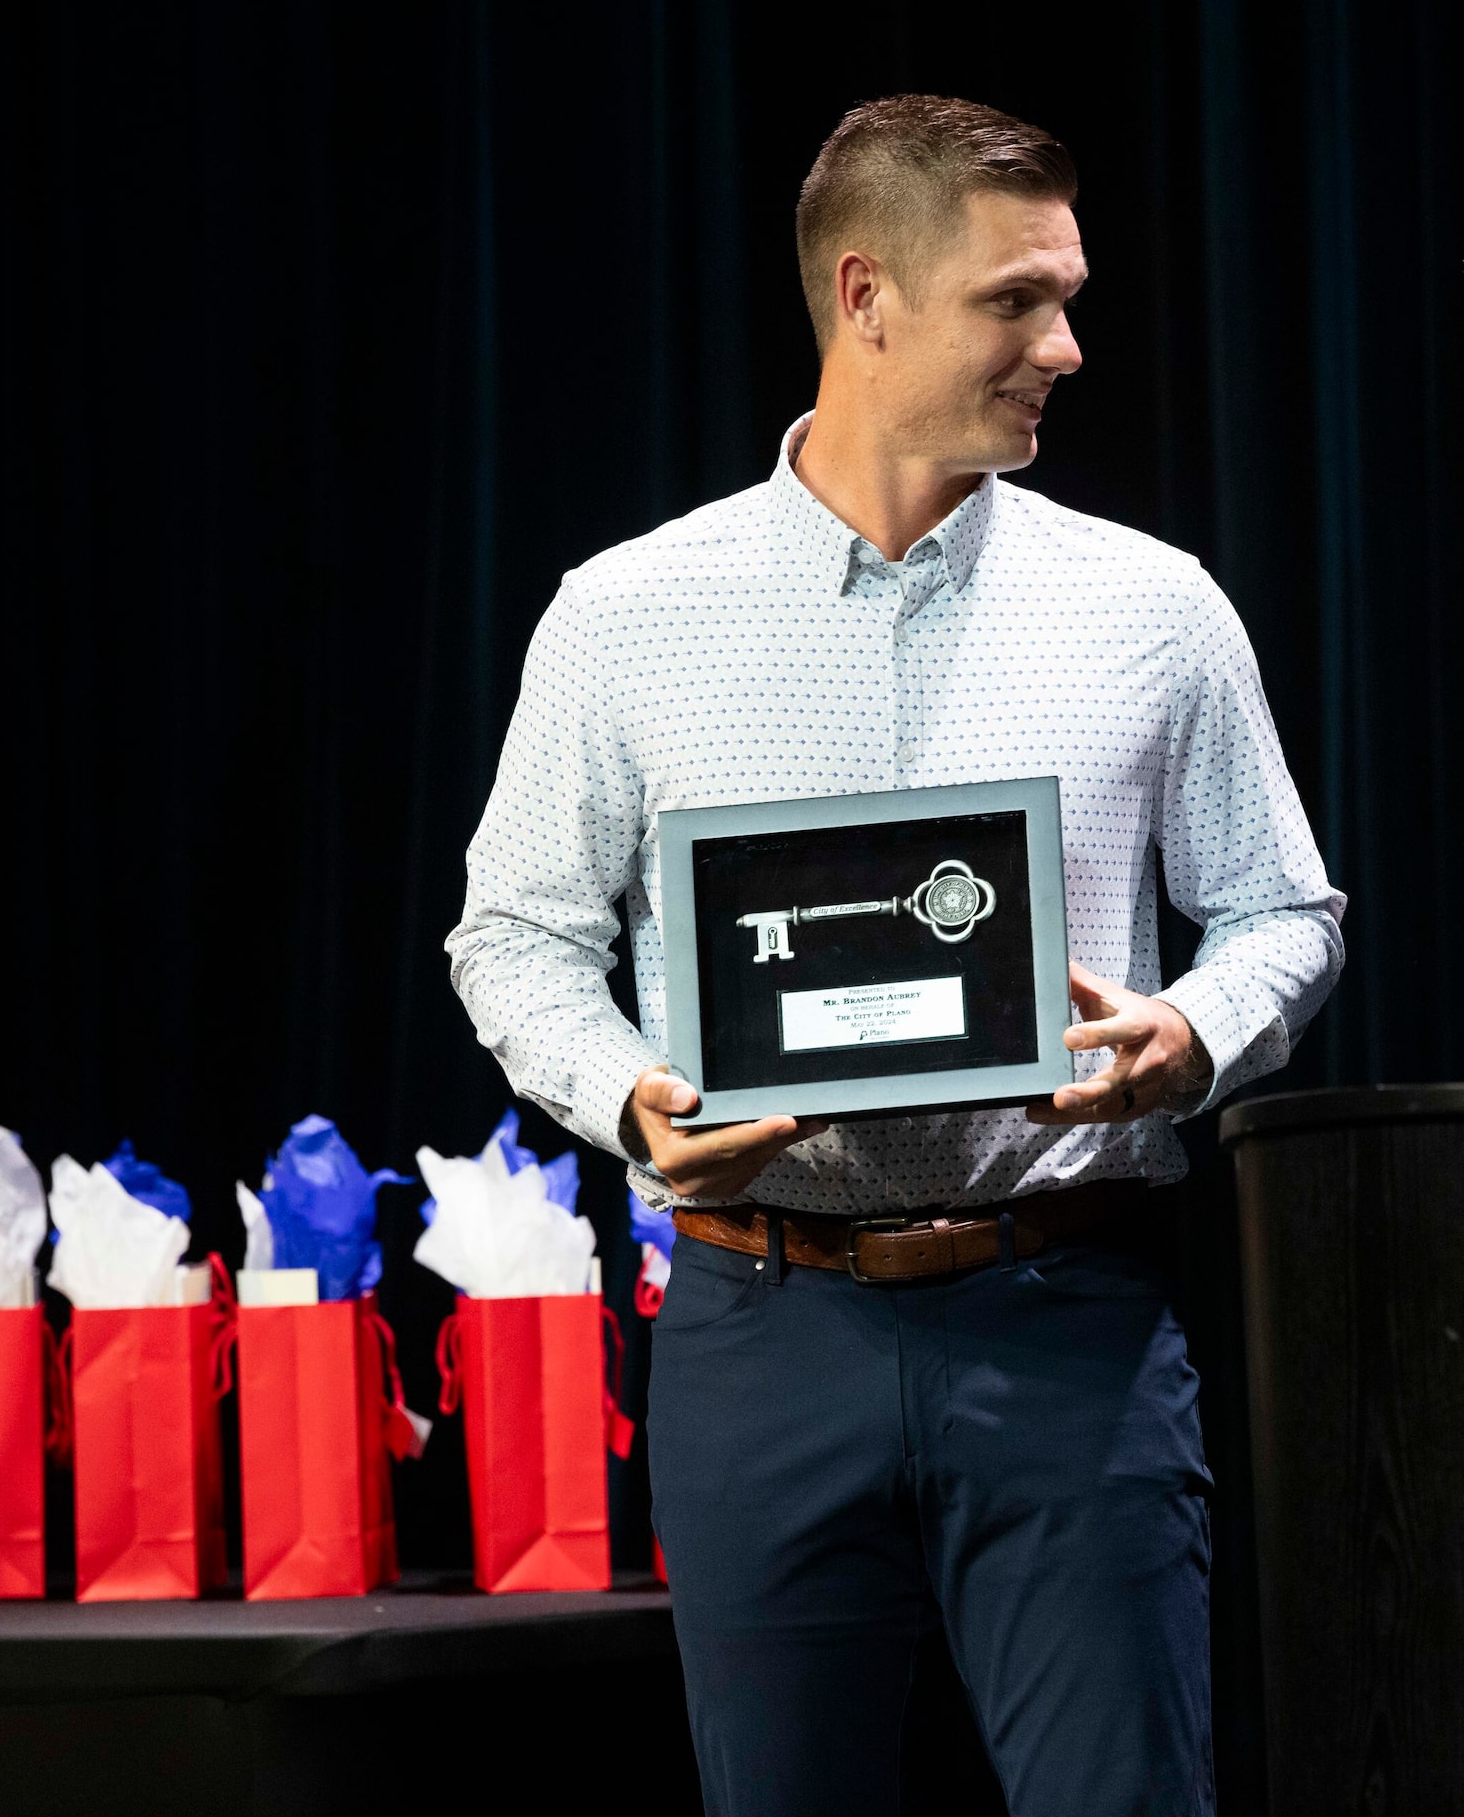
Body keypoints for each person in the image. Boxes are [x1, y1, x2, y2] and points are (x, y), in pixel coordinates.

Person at [448, 94, 1344, 1815]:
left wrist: (1194, 1031)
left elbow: (1282, 910)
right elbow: (519, 935)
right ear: (865, 296)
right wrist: (629, 1097)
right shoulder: (629, 611)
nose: (1067, 346)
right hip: (757, 1320)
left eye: (1067, 296)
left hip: (1068, 1313)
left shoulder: (1152, 604)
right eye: (1017, 300)